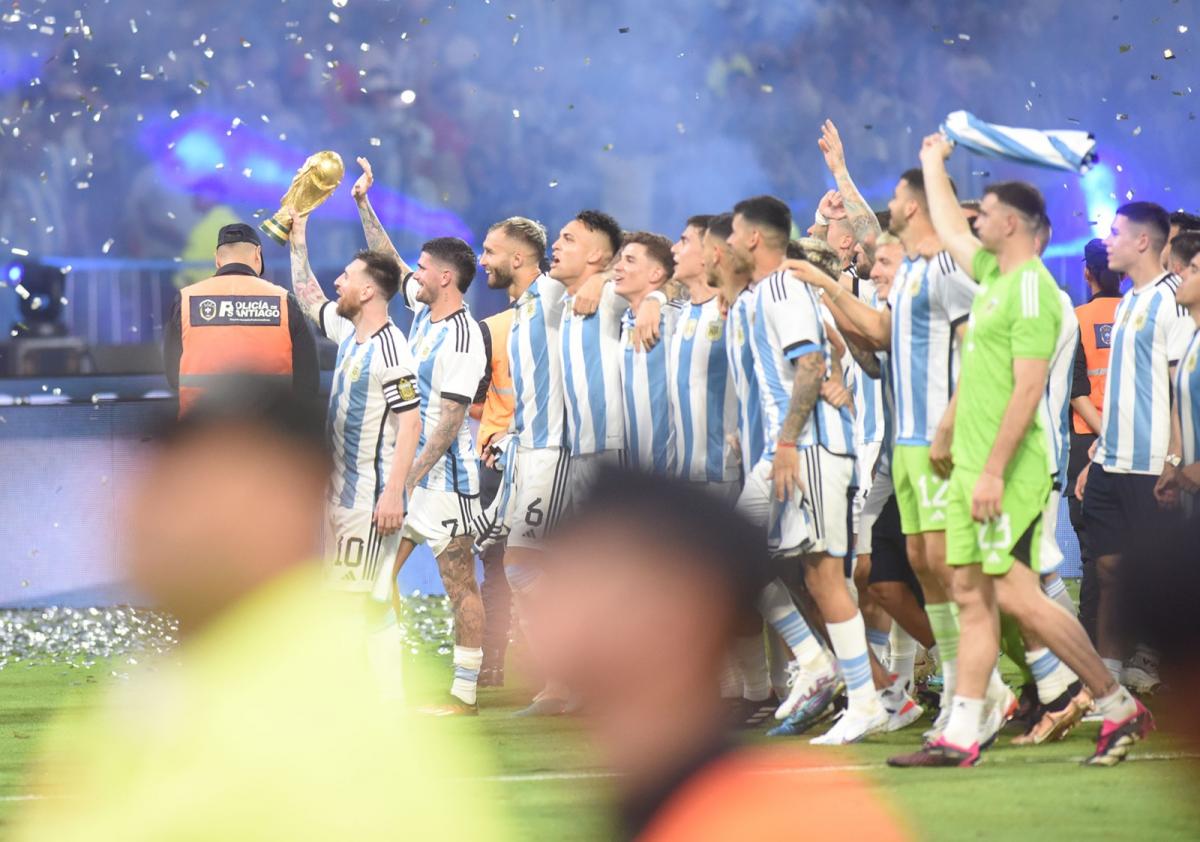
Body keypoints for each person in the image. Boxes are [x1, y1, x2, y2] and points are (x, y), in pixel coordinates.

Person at [12, 380, 512, 841]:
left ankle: (462, 688)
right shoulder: (192, 690)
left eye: (198, 489)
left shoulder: (301, 733)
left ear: (283, 509)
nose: (150, 513)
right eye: (164, 480)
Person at [889, 134, 1149, 768]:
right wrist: (931, 163)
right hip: (977, 467)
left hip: (1008, 472)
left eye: (985, 211)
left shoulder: (1031, 290)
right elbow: (951, 231)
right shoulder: (993, 278)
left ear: (1012, 223)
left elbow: (1030, 390)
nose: (974, 218)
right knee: (975, 594)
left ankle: (1115, 703)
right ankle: (963, 733)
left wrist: (994, 473)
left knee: (1016, 595)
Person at [536, 467, 911, 842]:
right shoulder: (644, 805)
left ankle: (833, 675)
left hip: (771, 465)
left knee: (824, 580)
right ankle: (820, 676)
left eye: (598, 586)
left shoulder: (801, 822)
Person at [789, 165, 993, 742]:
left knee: (985, 576)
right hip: (901, 448)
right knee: (905, 571)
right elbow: (877, 345)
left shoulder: (949, 269)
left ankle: (1032, 685)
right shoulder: (907, 280)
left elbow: (973, 351)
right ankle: (958, 684)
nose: (874, 265)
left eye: (902, 198)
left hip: (940, 442)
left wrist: (952, 425)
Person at [730, 196, 893, 746]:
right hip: (792, 449)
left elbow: (813, 361)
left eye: (733, 233)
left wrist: (785, 441)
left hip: (811, 449)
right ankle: (819, 663)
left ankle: (866, 699)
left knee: (826, 575)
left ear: (754, 237)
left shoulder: (782, 288)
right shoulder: (763, 293)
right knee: (730, 554)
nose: (729, 242)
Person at [1077, 201, 1193, 693]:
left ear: (1143, 241)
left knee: (1155, 578)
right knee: (1106, 570)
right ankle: (1108, 680)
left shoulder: (1172, 299)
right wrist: (1097, 455)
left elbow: (1178, 388)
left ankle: (1167, 668)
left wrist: (1173, 460)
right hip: (1111, 459)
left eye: (1116, 232)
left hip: (1150, 464)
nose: (1108, 241)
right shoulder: (1127, 302)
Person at [162, 222, 318, 416]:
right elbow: (308, 381)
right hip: (271, 434)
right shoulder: (284, 301)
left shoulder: (185, 300)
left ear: (217, 260)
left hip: (201, 435)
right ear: (257, 254)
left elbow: (172, 375)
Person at [1068, 238, 1124, 643]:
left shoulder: (1076, 319)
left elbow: (1077, 387)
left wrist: (1104, 433)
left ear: (1086, 272)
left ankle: (1090, 647)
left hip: (1086, 441)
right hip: (1135, 444)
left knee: (1093, 554)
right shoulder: (1138, 313)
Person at [668, 215, 739, 496]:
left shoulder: (733, 310)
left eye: (684, 241)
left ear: (710, 254)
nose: (674, 249)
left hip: (723, 472)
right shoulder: (682, 311)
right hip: (684, 474)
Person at [616, 231, 682, 475]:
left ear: (656, 274)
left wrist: (657, 297)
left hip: (674, 474)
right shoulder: (625, 319)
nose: (618, 267)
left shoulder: (676, 319)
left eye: (629, 260)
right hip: (636, 471)